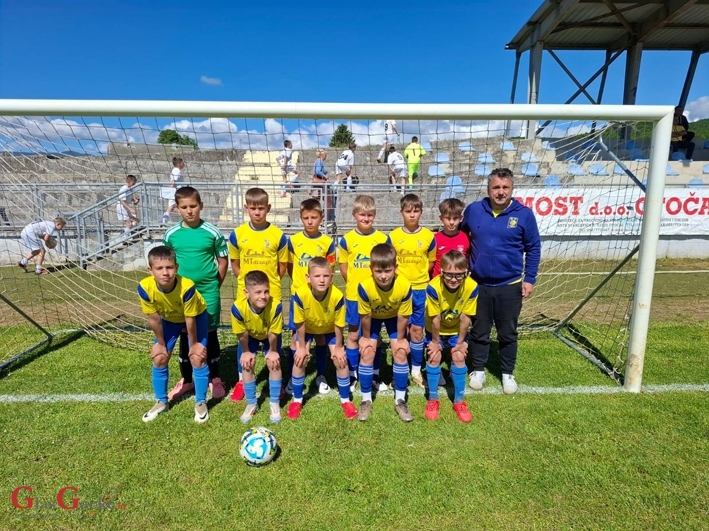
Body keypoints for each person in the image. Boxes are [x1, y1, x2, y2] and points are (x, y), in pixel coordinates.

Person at [461, 168, 541, 395]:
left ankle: (507, 373)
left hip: (510, 284)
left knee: (508, 332)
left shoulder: (524, 214)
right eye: (496, 187)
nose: (501, 192)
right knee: (479, 330)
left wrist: (530, 278)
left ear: (512, 189)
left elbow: (533, 247)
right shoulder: (474, 210)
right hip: (479, 284)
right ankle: (478, 370)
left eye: (505, 187)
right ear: (488, 189)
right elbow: (461, 237)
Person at [163, 186, 229, 402]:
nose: (189, 210)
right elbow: (167, 262)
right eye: (184, 207)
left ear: (201, 206)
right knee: (185, 333)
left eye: (193, 206)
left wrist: (214, 285)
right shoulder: (171, 234)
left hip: (208, 292)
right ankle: (187, 379)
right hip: (181, 295)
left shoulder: (212, 232)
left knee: (210, 333)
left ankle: (215, 378)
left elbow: (222, 261)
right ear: (177, 208)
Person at [137, 245, 210, 424]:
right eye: (159, 268)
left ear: (176, 267)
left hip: (196, 317)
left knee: (197, 357)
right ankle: (161, 401)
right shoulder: (144, 287)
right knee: (159, 357)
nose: (165, 272)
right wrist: (161, 344)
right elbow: (154, 318)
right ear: (150, 270)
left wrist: (194, 344)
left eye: (169, 267)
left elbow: (190, 318)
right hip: (169, 320)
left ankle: (201, 402)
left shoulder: (187, 286)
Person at [228, 187, 288, 401]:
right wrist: (249, 286)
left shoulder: (278, 236)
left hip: (271, 294)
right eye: (253, 208)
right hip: (246, 295)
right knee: (244, 337)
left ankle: (276, 380)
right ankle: (242, 380)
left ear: (268, 208)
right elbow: (235, 264)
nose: (257, 212)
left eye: (261, 208)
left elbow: (282, 267)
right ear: (246, 208)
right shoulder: (237, 235)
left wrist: (266, 287)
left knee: (274, 337)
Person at [289, 257, 357, 420]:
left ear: (332, 277)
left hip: (329, 329)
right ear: (308, 278)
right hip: (308, 329)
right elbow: (299, 323)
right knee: (300, 359)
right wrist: (302, 347)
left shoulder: (337, 295)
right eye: (317, 276)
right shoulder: (300, 294)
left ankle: (346, 400)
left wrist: (339, 347)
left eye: (326, 276)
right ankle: (297, 400)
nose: (321, 280)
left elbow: (339, 324)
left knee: (341, 360)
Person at [339, 195, 390, 392]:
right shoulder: (347, 240)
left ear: (374, 215)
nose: (366, 218)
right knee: (353, 334)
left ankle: (374, 374)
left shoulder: (382, 239)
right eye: (362, 215)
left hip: (376, 296)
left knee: (374, 336)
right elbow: (344, 268)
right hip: (354, 295)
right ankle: (353, 374)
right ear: (354, 215)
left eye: (369, 215)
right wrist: (356, 286)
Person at [286, 198, 337, 396]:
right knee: (296, 338)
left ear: (321, 218)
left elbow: (329, 268)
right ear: (301, 218)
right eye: (306, 217)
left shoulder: (327, 243)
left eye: (314, 217)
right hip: (299, 297)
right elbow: (290, 266)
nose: (310, 221)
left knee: (321, 336)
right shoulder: (293, 241)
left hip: (321, 297)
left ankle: (321, 375)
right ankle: (293, 376)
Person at [357, 243, 413, 422]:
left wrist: (401, 340)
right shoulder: (364, 286)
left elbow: (403, 316)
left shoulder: (404, 285)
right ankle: (366, 400)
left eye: (388, 271)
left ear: (395, 268)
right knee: (367, 351)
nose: (383, 276)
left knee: (400, 351)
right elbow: (366, 316)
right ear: (371, 269)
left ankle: (400, 400)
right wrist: (366, 338)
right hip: (372, 318)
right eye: (378, 271)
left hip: (394, 317)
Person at [424, 250, 478, 423]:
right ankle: (433, 399)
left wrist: (461, 342)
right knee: (434, 357)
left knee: (459, 356)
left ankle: (459, 401)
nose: (453, 279)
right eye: (449, 274)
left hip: (456, 329)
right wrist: (435, 342)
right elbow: (435, 318)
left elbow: (465, 317)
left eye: (458, 275)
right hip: (436, 329)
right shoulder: (433, 287)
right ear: (441, 272)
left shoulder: (472, 286)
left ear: (466, 273)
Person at [389, 194, 436, 389]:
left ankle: (416, 370)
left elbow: (431, 262)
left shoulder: (428, 236)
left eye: (416, 211)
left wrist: (419, 278)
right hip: (399, 290)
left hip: (420, 289)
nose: (412, 215)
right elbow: (389, 263)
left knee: (417, 331)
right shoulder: (393, 237)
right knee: (400, 332)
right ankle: (400, 369)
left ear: (421, 212)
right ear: (401, 212)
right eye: (408, 211)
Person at [231, 270, 283, 424]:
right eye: (258, 292)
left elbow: (273, 332)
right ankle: (251, 403)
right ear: (246, 293)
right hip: (250, 336)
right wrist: (246, 351)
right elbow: (242, 333)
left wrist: (272, 351)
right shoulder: (238, 308)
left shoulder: (276, 306)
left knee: (274, 362)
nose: (263, 296)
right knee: (247, 363)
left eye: (266, 291)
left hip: (269, 336)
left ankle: (274, 403)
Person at [432, 198, 470, 278]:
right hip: (438, 282)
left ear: (461, 218)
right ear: (441, 218)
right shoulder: (434, 239)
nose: (452, 222)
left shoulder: (466, 238)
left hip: (459, 281)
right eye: (448, 218)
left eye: (455, 218)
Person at [311, 148, 335, 223]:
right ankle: (325, 219)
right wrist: (325, 177)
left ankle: (317, 218)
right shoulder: (320, 161)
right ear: (322, 154)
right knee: (328, 201)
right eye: (325, 154)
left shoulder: (317, 161)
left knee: (316, 202)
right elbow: (317, 171)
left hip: (318, 185)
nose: (326, 155)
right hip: (321, 185)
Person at [162, 156, 185, 224]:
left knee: (175, 206)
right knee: (171, 207)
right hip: (176, 191)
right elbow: (173, 181)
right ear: (179, 164)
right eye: (183, 163)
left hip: (177, 191)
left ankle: (164, 221)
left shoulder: (175, 170)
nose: (184, 164)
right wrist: (171, 191)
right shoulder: (177, 171)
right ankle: (164, 221)